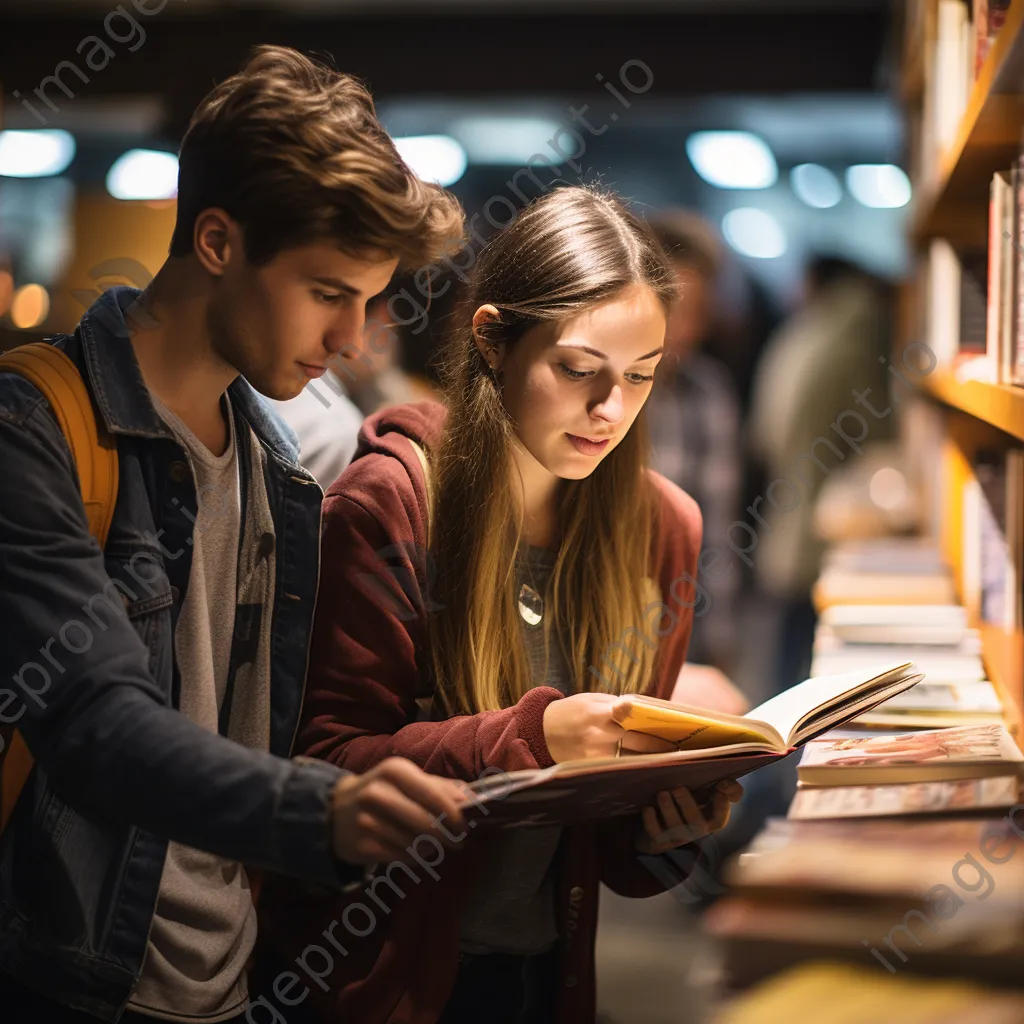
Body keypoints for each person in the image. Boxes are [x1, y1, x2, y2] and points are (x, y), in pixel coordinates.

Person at [0, 45, 470, 1024]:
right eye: (328, 291)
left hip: (229, 979)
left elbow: (251, 723)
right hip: (74, 973)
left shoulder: (279, 467)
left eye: (368, 301)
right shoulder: (33, 426)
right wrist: (319, 811)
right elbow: (94, 721)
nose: (352, 339)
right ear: (217, 241)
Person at [256, 186, 743, 1024]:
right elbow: (321, 770)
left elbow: (615, 862)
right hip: (379, 980)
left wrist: (670, 825)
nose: (610, 412)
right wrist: (528, 739)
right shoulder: (391, 506)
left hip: (549, 976)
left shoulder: (662, 529)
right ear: (493, 339)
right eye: (578, 371)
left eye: (640, 377)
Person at [645, 211, 743, 676]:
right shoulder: (604, 398)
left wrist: (720, 644)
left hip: (689, 637)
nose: (687, 330)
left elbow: (718, 536)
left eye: (698, 313)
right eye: (677, 311)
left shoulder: (709, 391)